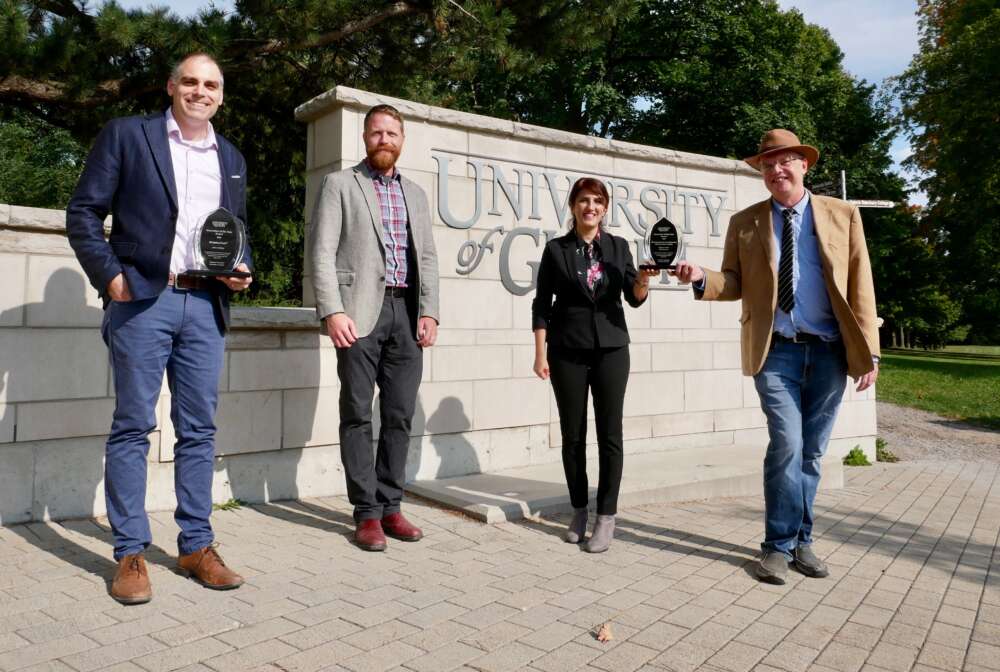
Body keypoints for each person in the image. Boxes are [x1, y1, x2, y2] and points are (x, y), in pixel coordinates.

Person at [66, 53, 252, 604]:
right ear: (172, 87)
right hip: (144, 300)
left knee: (199, 431)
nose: (200, 91)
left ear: (221, 95)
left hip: (206, 303)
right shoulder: (129, 135)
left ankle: (196, 545)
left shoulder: (232, 156)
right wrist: (112, 279)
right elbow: (83, 213)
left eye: (211, 84)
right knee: (133, 426)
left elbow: (234, 231)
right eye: (190, 81)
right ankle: (130, 552)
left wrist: (242, 269)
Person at [672, 129, 880, 584]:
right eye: (767, 165)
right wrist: (699, 276)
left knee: (811, 452)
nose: (776, 170)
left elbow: (861, 282)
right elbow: (733, 282)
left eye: (785, 161)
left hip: (829, 352)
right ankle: (776, 545)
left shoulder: (842, 215)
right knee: (786, 444)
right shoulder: (746, 222)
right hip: (776, 352)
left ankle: (802, 542)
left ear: (805, 165)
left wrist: (871, 352)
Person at [309, 104, 440, 552]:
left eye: (392, 133)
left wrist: (430, 311)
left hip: (407, 314)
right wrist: (333, 310)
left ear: (402, 140)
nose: (384, 139)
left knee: (400, 413)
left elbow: (428, 258)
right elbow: (322, 253)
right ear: (365, 138)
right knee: (358, 413)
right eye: (377, 132)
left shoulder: (417, 195)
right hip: (359, 313)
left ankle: (391, 505)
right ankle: (366, 513)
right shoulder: (340, 185)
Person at [531, 177, 658, 553]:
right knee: (573, 436)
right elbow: (541, 305)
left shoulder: (618, 248)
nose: (591, 207)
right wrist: (540, 353)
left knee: (609, 434)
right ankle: (578, 510)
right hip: (566, 350)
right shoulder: (556, 250)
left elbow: (633, 297)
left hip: (611, 349)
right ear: (573, 206)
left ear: (605, 208)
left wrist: (645, 282)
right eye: (584, 200)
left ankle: (606, 516)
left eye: (598, 201)